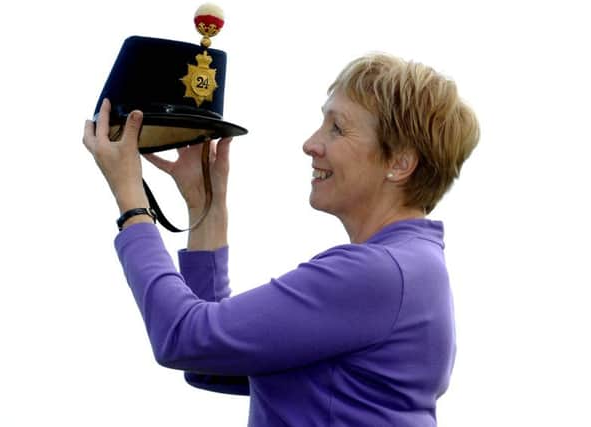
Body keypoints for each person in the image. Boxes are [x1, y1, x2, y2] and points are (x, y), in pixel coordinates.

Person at [83, 53, 480, 426]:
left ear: (400, 163)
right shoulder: (413, 267)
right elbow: (209, 362)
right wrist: (207, 209)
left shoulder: (378, 274)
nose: (311, 144)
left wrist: (132, 204)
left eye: (337, 128)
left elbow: (182, 338)